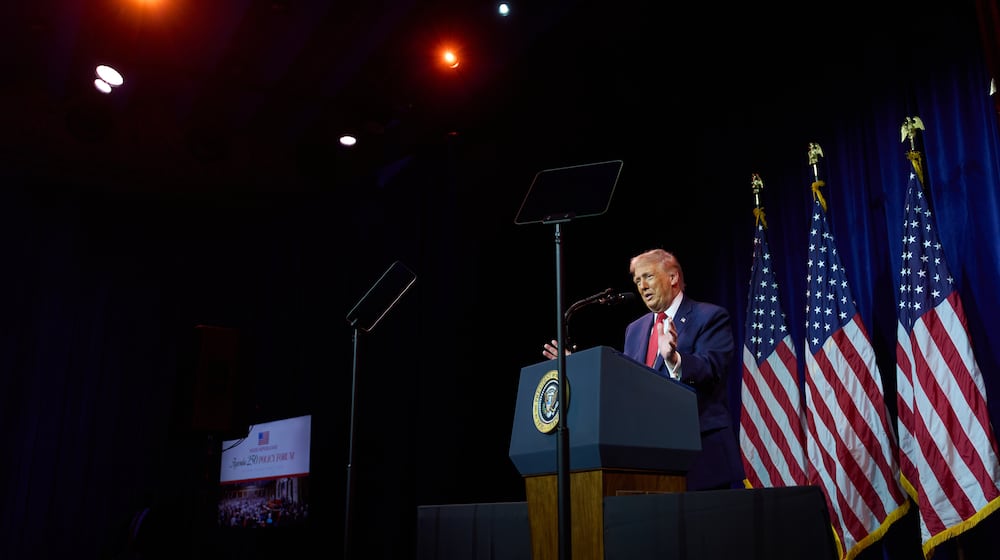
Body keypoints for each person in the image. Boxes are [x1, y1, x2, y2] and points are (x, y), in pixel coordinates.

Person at [542, 248, 744, 490]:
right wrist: (577, 366)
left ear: (673, 278)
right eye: (637, 280)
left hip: (700, 455)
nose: (642, 286)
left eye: (648, 276)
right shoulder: (635, 329)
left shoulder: (709, 316)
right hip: (648, 458)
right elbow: (626, 382)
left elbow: (712, 370)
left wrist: (674, 359)